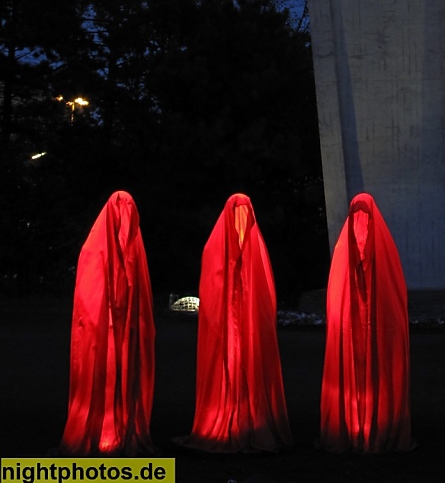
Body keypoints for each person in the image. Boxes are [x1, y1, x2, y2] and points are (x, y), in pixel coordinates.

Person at [177, 193, 291, 452]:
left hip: (247, 330)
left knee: (248, 363)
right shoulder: (215, 250)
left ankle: (250, 415)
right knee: (227, 365)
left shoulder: (257, 254)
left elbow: (264, 297)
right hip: (226, 329)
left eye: (245, 217)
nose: (241, 224)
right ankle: (227, 412)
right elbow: (212, 290)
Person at [60, 190, 155, 455]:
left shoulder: (135, 250)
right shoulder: (93, 250)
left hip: (128, 330)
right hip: (100, 332)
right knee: (102, 374)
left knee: (126, 375)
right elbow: (88, 300)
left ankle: (124, 426)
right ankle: (100, 427)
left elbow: (140, 297)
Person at [320, 193, 414, 452]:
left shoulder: (386, 259)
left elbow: (393, 298)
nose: (361, 232)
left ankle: (379, 421)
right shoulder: (342, 259)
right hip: (352, 328)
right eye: (356, 221)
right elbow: (337, 300)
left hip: (377, 330)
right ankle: (355, 422)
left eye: (366, 221)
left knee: (378, 369)